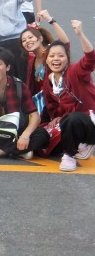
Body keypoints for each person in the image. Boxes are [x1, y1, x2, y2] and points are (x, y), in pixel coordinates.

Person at [42, 20, 95, 171]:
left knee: (71, 119)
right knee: (48, 132)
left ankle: (69, 155)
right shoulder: (49, 81)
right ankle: (83, 144)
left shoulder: (75, 72)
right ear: (47, 60)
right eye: (52, 56)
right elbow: (52, 106)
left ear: (67, 59)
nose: (56, 59)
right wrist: (56, 117)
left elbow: (90, 59)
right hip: (76, 125)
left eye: (60, 55)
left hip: (90, 121)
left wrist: (80, 34)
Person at [19, 10, 69, 110]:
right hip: (44, 103)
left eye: (30, 37)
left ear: (40, 38)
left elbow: (65, 43)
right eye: (24, 40)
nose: (27, 41)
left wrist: (50, 20)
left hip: (62, 100)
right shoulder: (31, 61)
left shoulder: (52, 53)